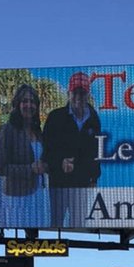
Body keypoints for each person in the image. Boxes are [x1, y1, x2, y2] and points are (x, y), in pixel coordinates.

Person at [42, 71, 101, 228]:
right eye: (75, 93)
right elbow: (46, 150)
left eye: (82, 93)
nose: (78, 97)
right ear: (69, 93)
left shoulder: (94, 119)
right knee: (56, 223)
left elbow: (96, 152)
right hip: (58, 183)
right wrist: (60, 162)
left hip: (81, 184)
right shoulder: (55, 117)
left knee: (79, 224)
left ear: (88, 95)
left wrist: (94, 178)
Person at [0, 84, 49, 228]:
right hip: (17, 199)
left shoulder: (38, 132)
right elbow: (0, 167)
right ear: (17, 104)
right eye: (25, 101)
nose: (29, 105)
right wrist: (30, 169)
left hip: (39, 196)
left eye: (32, 102)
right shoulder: (8, 130)